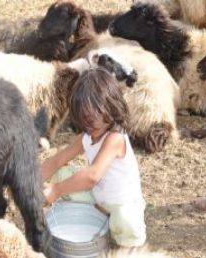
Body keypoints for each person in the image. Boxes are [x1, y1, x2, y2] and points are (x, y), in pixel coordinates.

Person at [41, 67, 146, 248]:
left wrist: (56, 190)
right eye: (83, 119)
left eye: (93, 117)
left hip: (122, 203)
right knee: (63, 172)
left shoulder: (115, 138)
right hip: (100, 197)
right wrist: (29, 182)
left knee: (124, 220)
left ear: (112, 106)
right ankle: (101, 212)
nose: (89, 125)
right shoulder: (87, 136)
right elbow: (58, 159)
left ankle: (130, 246)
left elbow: (93, 175)